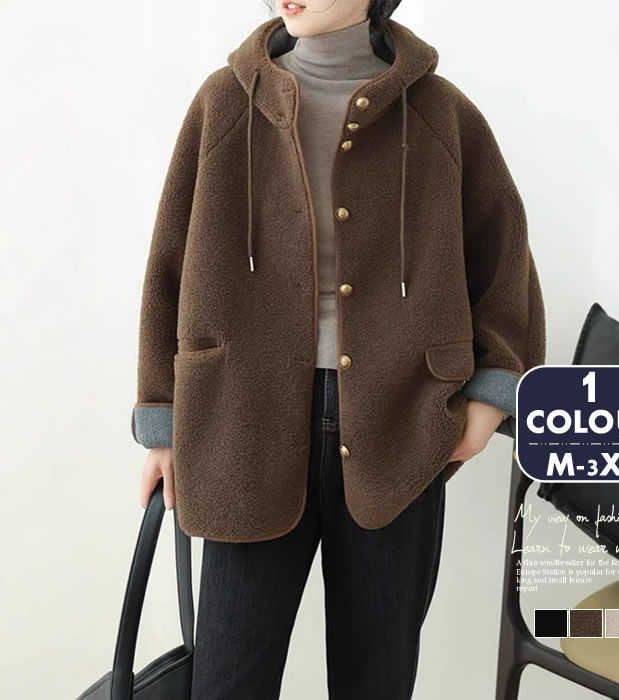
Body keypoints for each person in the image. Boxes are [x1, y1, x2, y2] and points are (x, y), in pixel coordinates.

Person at [130, 0, 546, 697]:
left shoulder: (441, 114)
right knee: (227, 680)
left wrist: (490, 397)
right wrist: (164, 421)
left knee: (377, 680)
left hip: (401, 428)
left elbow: (505, 259)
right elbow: (168, 266)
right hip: (243, 426)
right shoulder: (224, 102)